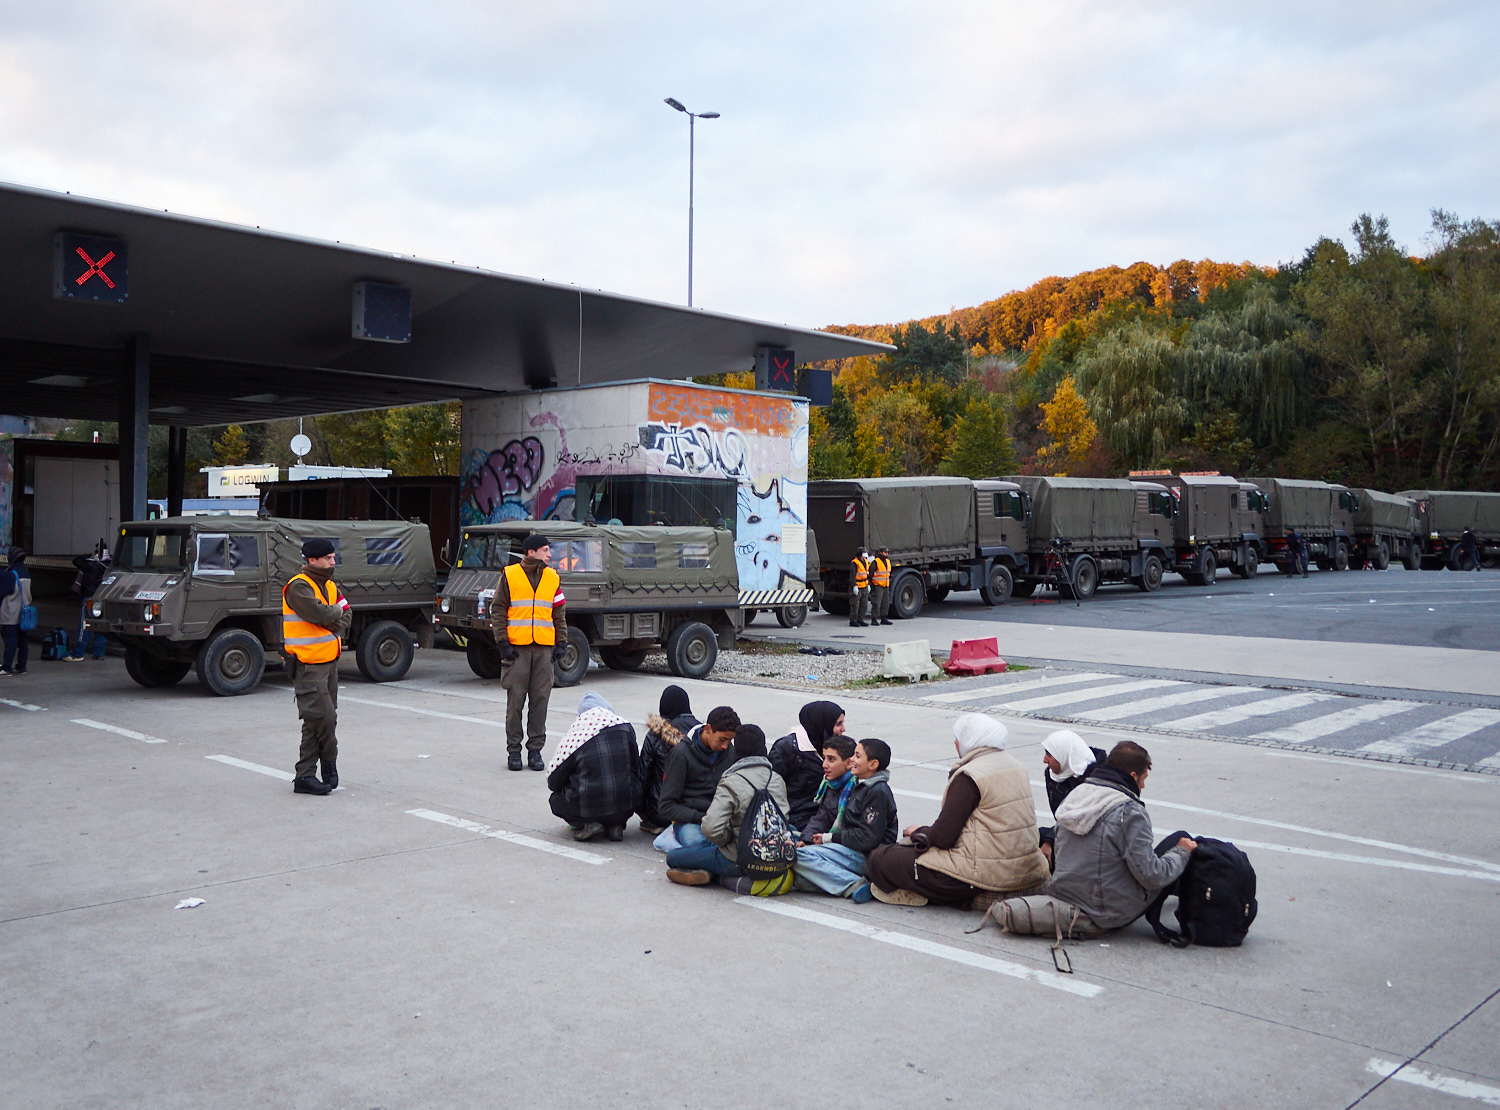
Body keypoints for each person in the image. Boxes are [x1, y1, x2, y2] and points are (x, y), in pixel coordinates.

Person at [865, 715, 1049, 908]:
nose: (955, 743)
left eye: (958, 738)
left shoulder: (970, 776)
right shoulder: (1016, 766)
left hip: (983, 874)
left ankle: (923, 893)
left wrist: (919, 832)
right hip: (1026, 867)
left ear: (971, 739)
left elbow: (944, 837)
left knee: (881, 857)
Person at [1021, 740, 1196, 935]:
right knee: (1182, 841)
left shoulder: (1078, 794)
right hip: (1105, 910)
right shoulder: (1130, 811)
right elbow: (1152, 876)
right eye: (1143, 779)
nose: (1144, 785)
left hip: (1064, 893)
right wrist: (1182, 852)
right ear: (1133, 776)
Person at [666, 724, 790, 893]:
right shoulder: (776, 779)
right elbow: (784, 818)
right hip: (776, 857)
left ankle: (712, 874)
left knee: (674, 857)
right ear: (763, 749)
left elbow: (711, 828)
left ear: (736, 751)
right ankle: (712, 873)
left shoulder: (732, 781)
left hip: (739, 859)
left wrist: (727, 840)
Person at [282, 538, 352, 796]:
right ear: (312, 560)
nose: (333, 562)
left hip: (329, 663)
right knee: (326, 718)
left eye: (333, 557)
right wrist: (331, 615)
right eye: (328, 558)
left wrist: (330, 615)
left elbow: (347, 614)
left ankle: (304, 777)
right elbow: (320, 615)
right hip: (308, 666)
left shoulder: (330, 585)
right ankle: (329, 763)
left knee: (314, 721)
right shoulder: (298, 587)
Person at [494, 533, 567, 771]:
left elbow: (559, 614)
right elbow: (498, 609)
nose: (549, 554)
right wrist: (502, 642)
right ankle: (513, 751)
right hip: (517, 651)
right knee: (515, 702)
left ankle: (535, 751)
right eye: (545, 549)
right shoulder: (510, 575)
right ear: (531, 552)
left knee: (541, 701)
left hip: (544, 651)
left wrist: (561, 642)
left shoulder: (552, 577)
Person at [792, 738, 898, 901]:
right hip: (848, 848)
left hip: (866, 856)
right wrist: (808, 838)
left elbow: (868, 838)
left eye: (857, 756)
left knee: (797, 856)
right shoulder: (854, 784)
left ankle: (853, 883)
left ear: (872, 764)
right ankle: (838, 880)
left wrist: (829, 839)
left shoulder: (877, 792)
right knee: (795, 861)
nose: (852, 760)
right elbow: (824, 815)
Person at [547, 692, 639, 842]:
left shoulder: (577, 735)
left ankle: (586, 823)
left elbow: (554, 781)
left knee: (555, 800)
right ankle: (616, 825)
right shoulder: (625, 727)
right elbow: (637, 767)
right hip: (625, 807)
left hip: (588, 809)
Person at [653, 705, 741, 854]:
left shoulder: (728, 751)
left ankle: (702, 862)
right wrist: (701, 817)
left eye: (729, 741)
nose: (726, 746)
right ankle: (677, 845)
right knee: (697, 842)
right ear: (707, 729)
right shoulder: (681, 754)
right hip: (692, 820)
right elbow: (666, 807)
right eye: (722, 740)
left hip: (722, 817)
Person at [768, 700, 846, 831]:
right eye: (838, 724)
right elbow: (772, 791)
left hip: (823, 818)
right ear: (823, 724)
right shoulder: (785, 749)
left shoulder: (831, 745)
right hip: (795, 822)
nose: (843, 729)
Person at [1037, 729, 1108, 866]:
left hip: (1094, 844)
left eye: (1049, 754)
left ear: (1065, 755)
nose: (1044, 760)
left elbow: (1083, 825)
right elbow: (1063, 821)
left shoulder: (1095, 780)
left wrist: (1050, 840)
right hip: (1068, 834)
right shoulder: (1053, 775)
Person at [636, 685, 700, 835]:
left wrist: (640, 810)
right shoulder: (701, 732)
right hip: (696, 809)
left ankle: (653, 822)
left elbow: (642, 777)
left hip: (662, 811)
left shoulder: (655, 734)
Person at [795, 734, 857, 843]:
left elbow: (857, 833)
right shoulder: (830, 784)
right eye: (824, 758)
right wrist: (807, 840)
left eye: (831, 760)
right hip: (829, 841)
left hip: (848, 846)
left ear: (849, 763)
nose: (824, 765)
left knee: (802, 856)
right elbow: (821, 820)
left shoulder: (858, 788)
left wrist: (825, 841)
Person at [66, 545, 111, 661]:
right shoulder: (108, 565)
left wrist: (88, 556)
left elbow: (76, 561)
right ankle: (99, 652)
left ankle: (78, 653)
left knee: (84, 624)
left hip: (89, 597)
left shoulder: (90, 565)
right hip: (101, 597)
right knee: (100, 624)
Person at [1, 546, 33, 677]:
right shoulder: (26, 573)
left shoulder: (10, 575)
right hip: (23, 614)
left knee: (10, 641)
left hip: (10, 613)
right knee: (22, 641)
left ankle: (7, 667)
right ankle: (21, 666)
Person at [870, 546, 893, 625]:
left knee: (885, 602)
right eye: (885, 552)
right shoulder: (876, 562)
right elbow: (871, 574)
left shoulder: (888, 561)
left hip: (886, 585)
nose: (886, 554)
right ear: (880, 552)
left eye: (887, 552)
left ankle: (884, 618)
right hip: (878, 585)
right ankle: (874, 618)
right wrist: (872, 584)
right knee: (877, 602)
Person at [849, 549, 871, 627]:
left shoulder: (865, 562)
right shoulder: (855, 563)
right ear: (860, 554)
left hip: (864, 585)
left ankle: (860, 619)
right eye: (864, 553)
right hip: (857, 586)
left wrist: (868, 584)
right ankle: (853, 620)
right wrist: (854, 586)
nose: (865, 555)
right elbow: (852, 576)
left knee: (864, 604)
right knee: (855, 604)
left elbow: (867, 574)